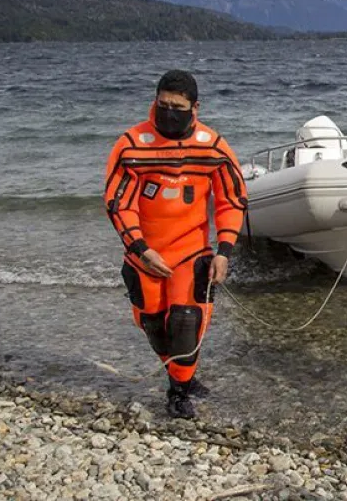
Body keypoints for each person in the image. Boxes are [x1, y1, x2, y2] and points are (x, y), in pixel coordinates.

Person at [103, 69, 248, 419]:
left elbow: (231, 199)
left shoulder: (212, 146)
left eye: (177, 106)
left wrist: (224, 250)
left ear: (194, 107)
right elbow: (118, 202)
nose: (169, 111)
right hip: (145, 255)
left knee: (186, 322)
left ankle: (178, 392)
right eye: (162, 104)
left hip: (191, 251)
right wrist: (139, 248)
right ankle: (182, 374)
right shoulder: (132, 145)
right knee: (153, 325)